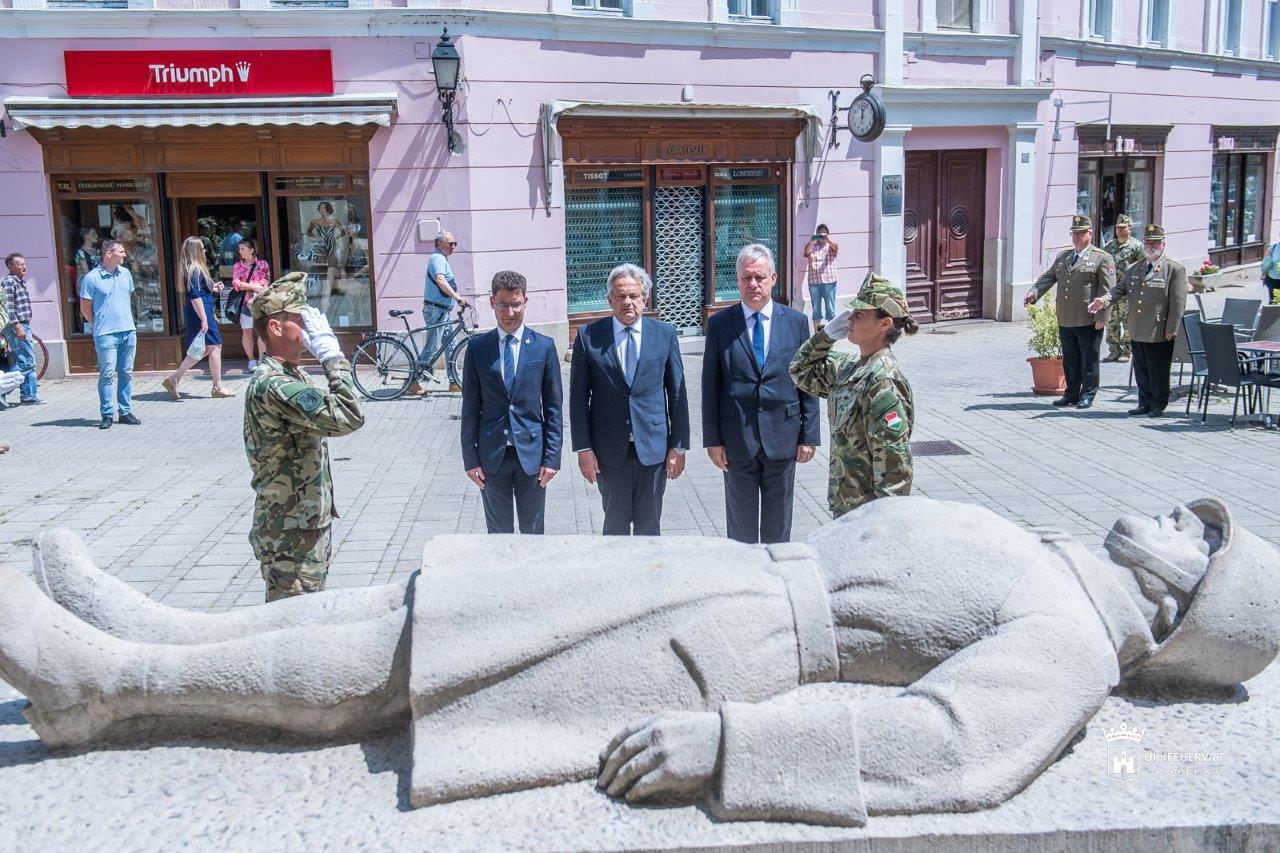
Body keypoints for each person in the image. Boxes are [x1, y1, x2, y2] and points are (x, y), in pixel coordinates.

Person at [8, 496, 1280, 829]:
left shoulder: (1066, 644)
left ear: (1182, 604)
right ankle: (158, 633)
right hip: (715, 576)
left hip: (718, 647)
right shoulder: (1059, 568)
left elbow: (951, 750)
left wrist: (731, 745)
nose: (1175, 521)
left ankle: (106, 684)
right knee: (413, 598)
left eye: (1195, 536)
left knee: (408, 655)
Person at [243, 272, 365, 601]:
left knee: (306, 623)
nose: (310, 329)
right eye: (301, 319)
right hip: (290, 533)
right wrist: (332, 358)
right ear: (276, 327)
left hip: (302, 524)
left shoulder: (289, 375)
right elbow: (347, 416)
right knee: (291, 631)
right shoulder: (276, 384)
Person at [702, 244, 819, 544]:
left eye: (759, 277)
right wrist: (713, 440)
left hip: (783, 436)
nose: (753, 284)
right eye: (746, 278)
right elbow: (710, 386)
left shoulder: (795, 322)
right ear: (737, 280)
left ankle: (776, 577)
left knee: (778, 524)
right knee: (739, 526)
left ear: (773, 278)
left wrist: (809, 435)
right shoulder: (719, 325)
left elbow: (807, 381)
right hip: (737, 439)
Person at [570, 263, 690, 536]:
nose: (627, 302)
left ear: (645, 299)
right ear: (609, 298)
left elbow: (678, 396)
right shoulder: (589, 338)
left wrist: (679, 447)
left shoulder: (665, 335)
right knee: (615, 526)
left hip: (654, 449)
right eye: (620, 296)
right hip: (609, 452)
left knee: (650, 526)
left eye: (634, 296)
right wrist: (583, 449)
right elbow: (578, 399)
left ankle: (649, 578)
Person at [790, 273, 917, 519]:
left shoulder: (883, 379)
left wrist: (884, 524)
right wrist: (825, 336)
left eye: (860, 315)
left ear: (884, 324)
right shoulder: (850, 367)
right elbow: (799, 370)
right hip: (845, 506)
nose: (850, 319)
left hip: (868, 515)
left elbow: (894, 463)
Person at [460, 270, 563, 534]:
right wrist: (470, 460)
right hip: (492, 457)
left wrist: (551, 459)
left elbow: (553, 408)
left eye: (515, 304)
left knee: (533, 530)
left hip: (532, 455)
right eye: (503, 304)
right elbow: (470, 408)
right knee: (498, 532)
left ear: (525, 301)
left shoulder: (543, 347)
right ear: (492, 302)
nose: (509, 312)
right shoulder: (477, 348)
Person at [1088, 224, 1188, 418]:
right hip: (1137, 327)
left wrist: (1172, 328)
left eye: (1155, 243)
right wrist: (1103, 300)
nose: (1151, 246)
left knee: (1158, 369)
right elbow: (1119, 289)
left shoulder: (1174, 269)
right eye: (1148, 242)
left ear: (1163, 245)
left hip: (1159, 329)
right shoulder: (1136, 268)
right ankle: (1144, 402)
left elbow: (1178, 303)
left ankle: (1158, 403)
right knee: (1141, 368)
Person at [1024, 214, 1117, 409]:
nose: (1076, 237)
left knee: (1088, 359)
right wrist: (1034, 292)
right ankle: (1071, 393)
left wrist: (1102, 317)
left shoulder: (1102, 258)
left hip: (1088, 318)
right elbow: (1049, 276)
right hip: (1066, 317)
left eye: (1080, 233)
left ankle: (1088, 394)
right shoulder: (1064, 256)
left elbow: (1107, 291)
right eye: (1074, 233)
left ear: (1090, 234)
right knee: (1070, 359)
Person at [78, 239, 140, 430]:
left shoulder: (125, 274)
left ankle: (125, 412)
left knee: (126, 373)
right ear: (108, 254)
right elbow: (85, 307)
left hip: (128, 331)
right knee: (106, 375)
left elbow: (128, 299)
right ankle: (107, 414)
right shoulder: (91, 278)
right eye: (120, 252)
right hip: (106, 334)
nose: (124, 255)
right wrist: (97, 324)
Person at [162, 237, 233, 400]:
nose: (205, 251)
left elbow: (199, 292)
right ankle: (217, 387)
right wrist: (204, 318)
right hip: (200, 311)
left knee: (205, 348)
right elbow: (195, 296)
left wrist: (212, 287)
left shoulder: (194, 268)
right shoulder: (194, 268)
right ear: (195, 251)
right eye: (202, 248)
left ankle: (174, 378)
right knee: (215, 346)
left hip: (202, 309)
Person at [415, 231, 470, 394]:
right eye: (450, 243)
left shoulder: (441, 259)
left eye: (455, 243)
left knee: (451, 345)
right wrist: (457, 297)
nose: (453, 246)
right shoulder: (437, 258)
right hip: (436, 310)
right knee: (432, 347)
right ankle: (412, 382)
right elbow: (440, 280)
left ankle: (453, 382)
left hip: (441, 310)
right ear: (440, 244)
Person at [1101, 213, 1144, 363]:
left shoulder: (1136, 246)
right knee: (1111, 321)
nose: (1119, 230)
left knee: (1127, 321)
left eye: (1123, 227)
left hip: (1128, 291)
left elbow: (1142, 267)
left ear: (1129, 228)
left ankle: (1126, 350)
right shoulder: (1109, 246)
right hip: (1113, 290)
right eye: (1118, 227)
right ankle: (1113, 350)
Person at [2, 252, 40, 405]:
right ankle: (3, 388)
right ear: (11, 266)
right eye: (20, 264)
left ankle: (29, 396)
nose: (24, 266)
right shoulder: (9, 282)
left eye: (25, 263)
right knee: (26, 361)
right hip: (16, 325)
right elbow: (8, 307)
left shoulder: (20, 281)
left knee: (27, 360)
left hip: (24, 324)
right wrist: (17, 327)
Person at [231, 238, 272, 371]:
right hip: (244, 304)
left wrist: (249, 287)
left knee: (261, 332)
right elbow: (237, 284)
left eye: (242, 248)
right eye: (240, 248)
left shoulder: (263, 264)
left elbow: (266, 283)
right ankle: (251, 360)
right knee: (247, 331)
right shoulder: (238, 266)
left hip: (259, 303)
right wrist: (254, 287)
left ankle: (261, 360)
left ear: (251, 250)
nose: (240, 251)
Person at [305, 202, 347, 313]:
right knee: (321, 269)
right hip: (320, 247)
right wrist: (317, 238)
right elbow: (309, 232)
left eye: (324, 208)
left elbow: (343, 232)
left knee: (332, 268)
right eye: (321, 208)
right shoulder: (315, 221)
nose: (322, 210)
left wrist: (335, 238)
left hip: (332, 246)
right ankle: (320, 293)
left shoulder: (334, 221)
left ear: (328, 209)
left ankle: (329, 293)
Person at [803, 223, 839, 325]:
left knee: (830, 310)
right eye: (819, 233)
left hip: (829, 281)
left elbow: (835, 247)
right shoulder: (812, 246)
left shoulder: (830, 245)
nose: (821, 236)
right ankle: (818, 335)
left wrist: (827, 240)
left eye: (824, 233)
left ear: (827, 234)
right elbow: (806, 252)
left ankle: (829, 336)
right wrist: (811, 241)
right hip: (814, 282)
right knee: (816, 311)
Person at [1261, 237, 1280, 306]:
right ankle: (1273, 316)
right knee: (1274, 301)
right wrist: (1264, 275)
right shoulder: (1273, 247)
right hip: (1272, 278)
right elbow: (1265, 263)